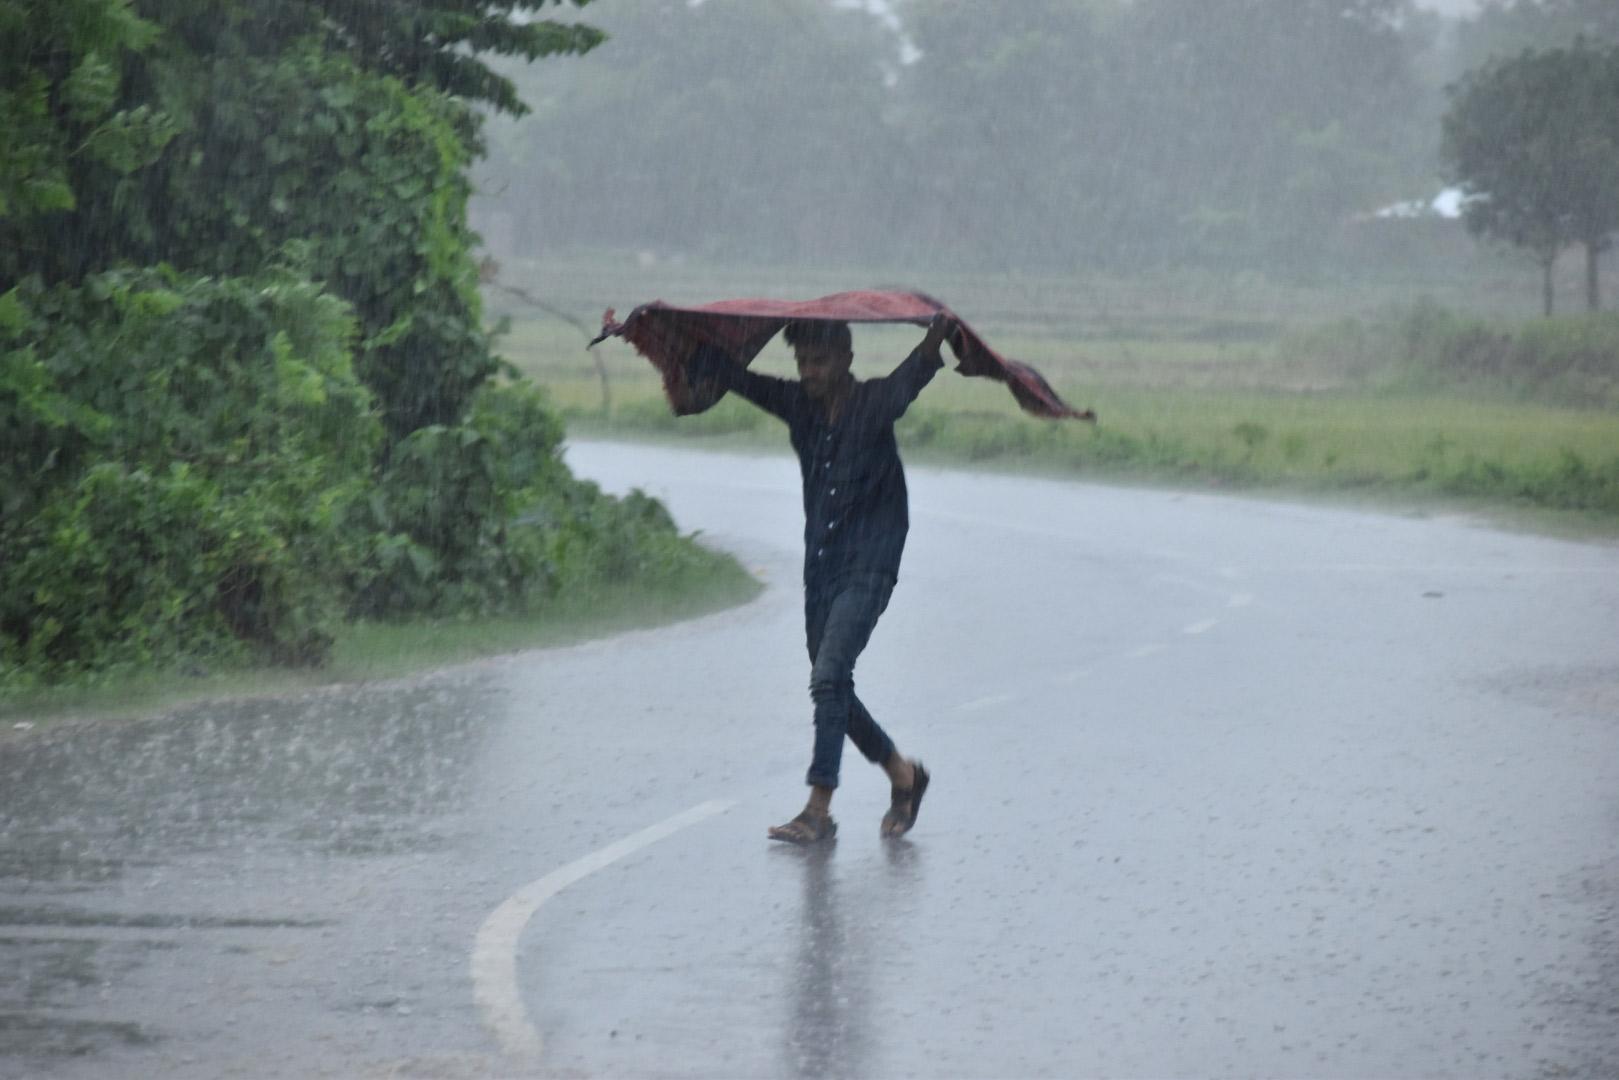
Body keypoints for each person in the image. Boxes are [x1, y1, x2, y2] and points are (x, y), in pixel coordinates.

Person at [685, 314, 956, 843]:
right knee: (831, 687)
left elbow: (915, 373)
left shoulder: (875, 404)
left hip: (870, 564)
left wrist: (937, 334)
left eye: (820, 361)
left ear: (846, 361)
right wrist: (654, 332)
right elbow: (736, 377)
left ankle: (818, 809)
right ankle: (904, 776)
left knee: (830, 676)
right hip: (822, 567)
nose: (809, 372)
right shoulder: (798, 407)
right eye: (803, 362)